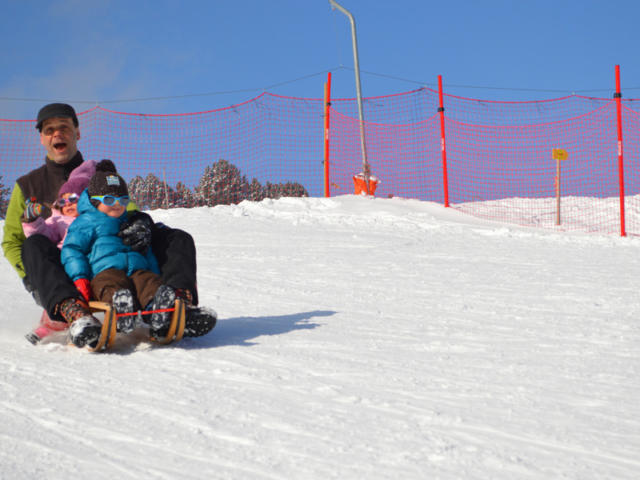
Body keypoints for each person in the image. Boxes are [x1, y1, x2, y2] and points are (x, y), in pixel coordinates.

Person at [2, 103, 216, 347]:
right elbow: (12, 240)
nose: (57, 134)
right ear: (41, 138)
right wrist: (32, 276)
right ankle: (74, 312)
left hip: (110, 257)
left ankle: (179, 306)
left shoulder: (100, 176)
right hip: (67, 272)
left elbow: (129, 209)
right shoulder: (27, 186)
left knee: (176, 237)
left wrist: (141, 222)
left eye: (64, 127)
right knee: (34, 245)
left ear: (77, 133)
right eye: (49, 130)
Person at [61, 160, 178, 347]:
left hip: (137, 269)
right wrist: (80, 277)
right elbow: (72, 250)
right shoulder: (86, 222)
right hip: (103, 271)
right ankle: (120, 309)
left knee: (148, 282)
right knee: (111, 285)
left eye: (122, 200)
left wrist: (155, 273)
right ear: (94, 201)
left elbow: (146, 252)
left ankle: (157, 310)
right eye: (109, 200)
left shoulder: (131, 221)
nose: (117, 205)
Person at [22, 160, 96, 344]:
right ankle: (62, 316)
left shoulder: (95, 218)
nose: (68, 203)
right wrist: (33, 220)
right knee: (34, 243)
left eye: (74, 199)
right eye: (63, 200)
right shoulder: (58, 221)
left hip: (89, 266)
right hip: (63, 267)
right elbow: (43, 235)